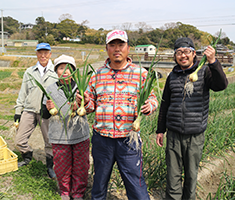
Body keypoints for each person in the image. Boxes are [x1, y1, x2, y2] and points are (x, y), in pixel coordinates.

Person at [76, 30, 158, 200]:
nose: (117, 49)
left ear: (128, 48)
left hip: (129, 139)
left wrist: (149, 106)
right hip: (102, 139)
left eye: (121, 45)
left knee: (135, 183)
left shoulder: (141, 74)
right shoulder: (97, 75)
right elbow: (91, 106)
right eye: (112, 45)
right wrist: (83, 102)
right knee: (99, 182)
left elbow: (153, 99)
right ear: (107, 48)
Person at [156, 37, 228, 200]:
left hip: (195, 135)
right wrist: (160, 130)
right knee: (172, 177)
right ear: (175, 56)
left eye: (187, 52)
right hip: (173, 135)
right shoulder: (172, 76)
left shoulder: (205, 72)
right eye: (179, 52)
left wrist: (213, 62)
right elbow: (165, 104)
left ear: (194, 53)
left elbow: (221, 85)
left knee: (191, 177)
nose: (183, 56)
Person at [41, 54, 90, 200]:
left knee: (81, 167)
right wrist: (49, 108)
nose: (65, 71)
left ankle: (78, 193)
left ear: (74, 71)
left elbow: (90, 107)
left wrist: (82, 104)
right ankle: (64, 192)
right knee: (62, 167)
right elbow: (44, 115)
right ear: (56, 71)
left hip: (80, 134)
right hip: (59, 136)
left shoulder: (81, 88)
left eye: (69, 68)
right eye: (61, 68)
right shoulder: (50, 89)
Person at [14, 43, 57, 179]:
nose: (43, 55)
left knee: (49, 141)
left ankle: (50, 166)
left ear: (50, 54)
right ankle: (27, 156)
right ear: (36, 54)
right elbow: (23, 92)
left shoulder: (56, 71)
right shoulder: (29, 71)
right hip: (29, 109)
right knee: (19, 140)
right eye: (40, 52)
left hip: (47, 112)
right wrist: (18, 110)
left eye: (46, 52)